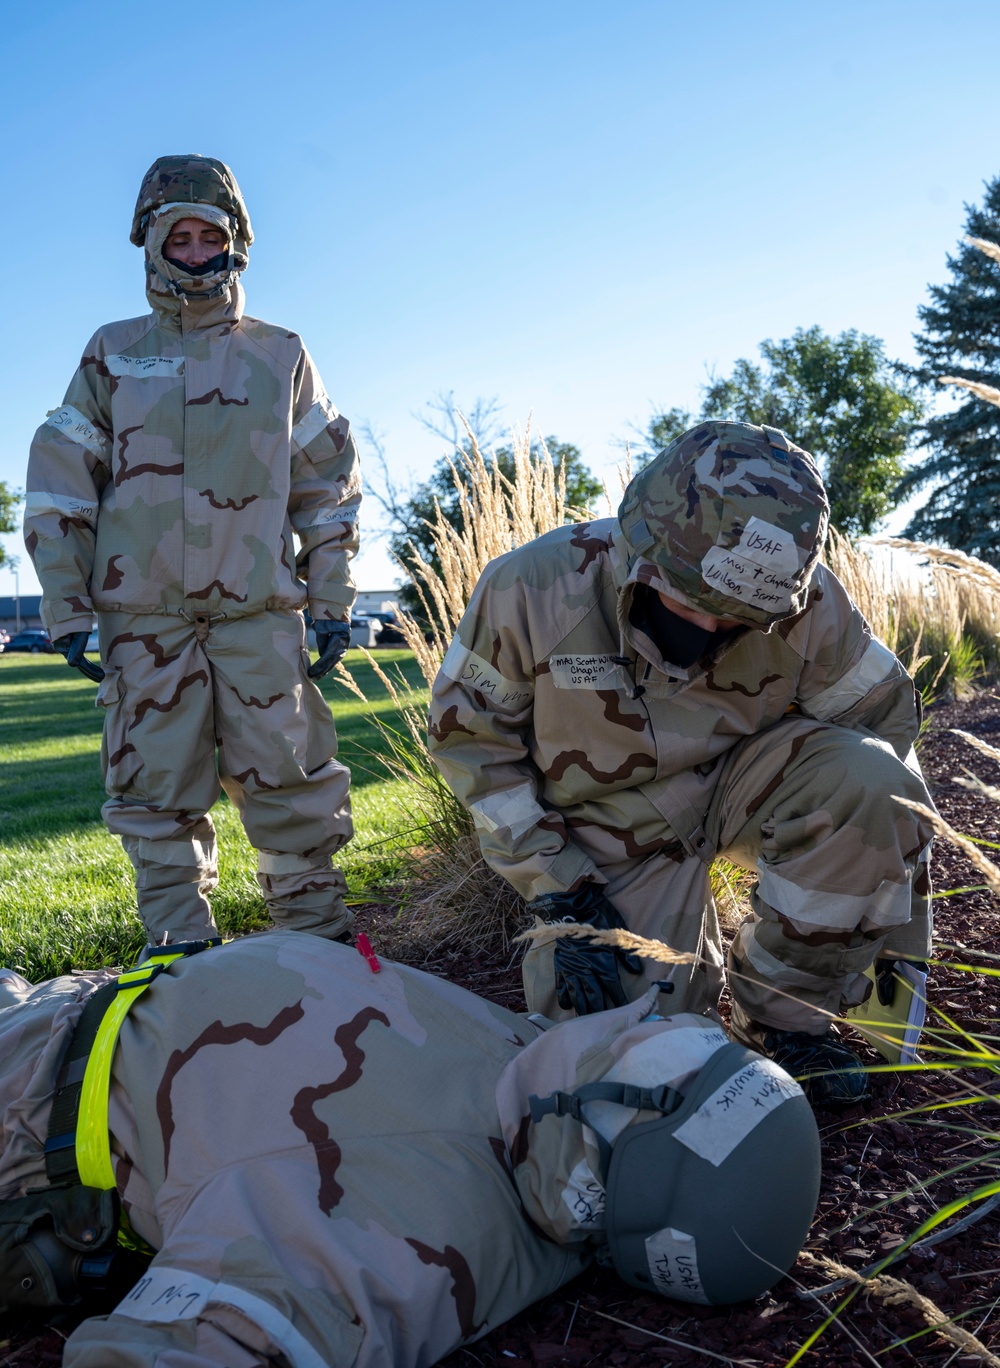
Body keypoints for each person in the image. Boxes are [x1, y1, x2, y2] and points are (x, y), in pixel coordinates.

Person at [0, 933, 821, 1366]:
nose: (642, 1026)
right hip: (81, 1013)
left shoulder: (400, 1234)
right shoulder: (540, 1080)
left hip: (33, 1105)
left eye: (654, 1064)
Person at [427, 420, 936, 1105]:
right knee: (613, 1077)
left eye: (739, 621)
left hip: (744, 785)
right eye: (693, 603)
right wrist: (557, 884)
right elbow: (471, 744)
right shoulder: (531, 589)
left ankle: (787, 1019)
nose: (709, 631)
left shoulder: (810, 605)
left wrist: (876, 876)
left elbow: (882, 722)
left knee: (872, 778)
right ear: (642, 548)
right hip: (604, 835)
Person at [23, 155, 360, 947]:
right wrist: (68, 608)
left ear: (237, 241)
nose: (199, 249)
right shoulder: (113, 353)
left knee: (292, 786)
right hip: (144, 622)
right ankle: (179, 953)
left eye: (214, 234)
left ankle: (319, 948)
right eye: (183, 236)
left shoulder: (281, 355)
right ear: (152, 243)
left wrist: (334, 602)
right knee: (154, 790)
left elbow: (328, 488)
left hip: (258, 616)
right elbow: (60, 482)